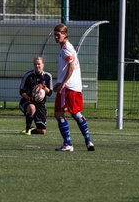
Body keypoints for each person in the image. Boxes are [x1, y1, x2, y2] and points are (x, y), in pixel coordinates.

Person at [53, 24, 95, 152]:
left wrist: (63, 83)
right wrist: (59, 82)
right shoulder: (67, 47)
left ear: (65, 34)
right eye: (55, 34)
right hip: (74, 86)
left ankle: (68, 144)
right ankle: (88, 141)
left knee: (59, 114)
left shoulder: (66, 48)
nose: (56, 36)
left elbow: (71, 66)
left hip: (68, 88)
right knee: (76, 114)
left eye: (58, 34)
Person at [19, 56, 53, 135]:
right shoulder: (28, 76)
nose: (37, 66)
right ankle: (27, 129)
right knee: (32, 107)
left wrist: (43, 86)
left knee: (42, 131)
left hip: (40, 104)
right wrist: (31, 98)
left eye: (39, 64)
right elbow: (21, 92)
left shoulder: (48, 76)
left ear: (43, 65)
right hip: (27, 101)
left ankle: (32, 129)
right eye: (35, 64)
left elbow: (50, 93)